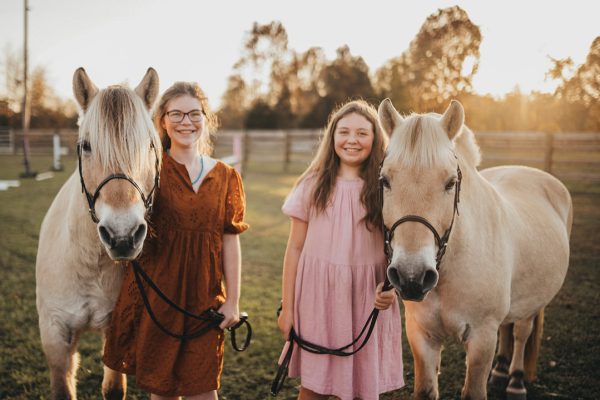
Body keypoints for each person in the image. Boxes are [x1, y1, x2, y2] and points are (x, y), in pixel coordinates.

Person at [103, 81, 248, 400]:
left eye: (195, 113)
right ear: (162, 121)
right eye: (177, 113)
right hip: (159, 298)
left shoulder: (225, 176)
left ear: (206, 119)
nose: (187, 121)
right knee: (163, 393)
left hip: (204, 299)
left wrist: (233, 300)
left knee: (205, 391)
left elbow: (230, 240)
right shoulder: (146, 172)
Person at [277, 100, 405, 400]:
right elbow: (294, 248)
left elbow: (397, 247)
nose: (352, 140)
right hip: (318, 297)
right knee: (314, 389)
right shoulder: (313, 183)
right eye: (344, 132)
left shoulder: (386, 188)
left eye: (362, 133)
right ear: (332, 137)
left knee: (363, 387)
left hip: (367, 298)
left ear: (375, 138)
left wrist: (391, 289)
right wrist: (287, 308)